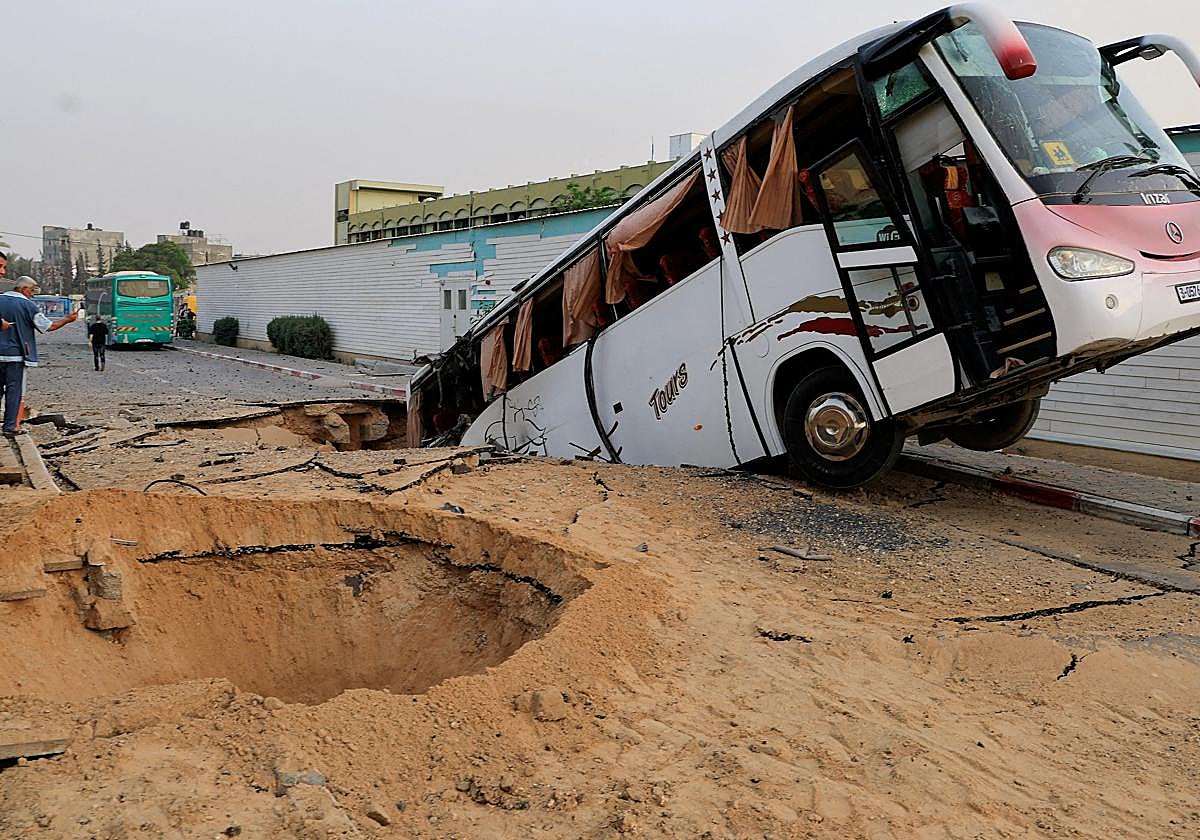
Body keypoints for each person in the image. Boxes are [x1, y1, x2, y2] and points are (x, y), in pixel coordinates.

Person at [0, 271, 80, 437]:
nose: (32, 295)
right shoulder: (28, 306)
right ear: (23, 289)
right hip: (16, 355)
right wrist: (67, 320)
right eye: (31, 291)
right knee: (14, 391)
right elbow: (48, 327)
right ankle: (10, 428)